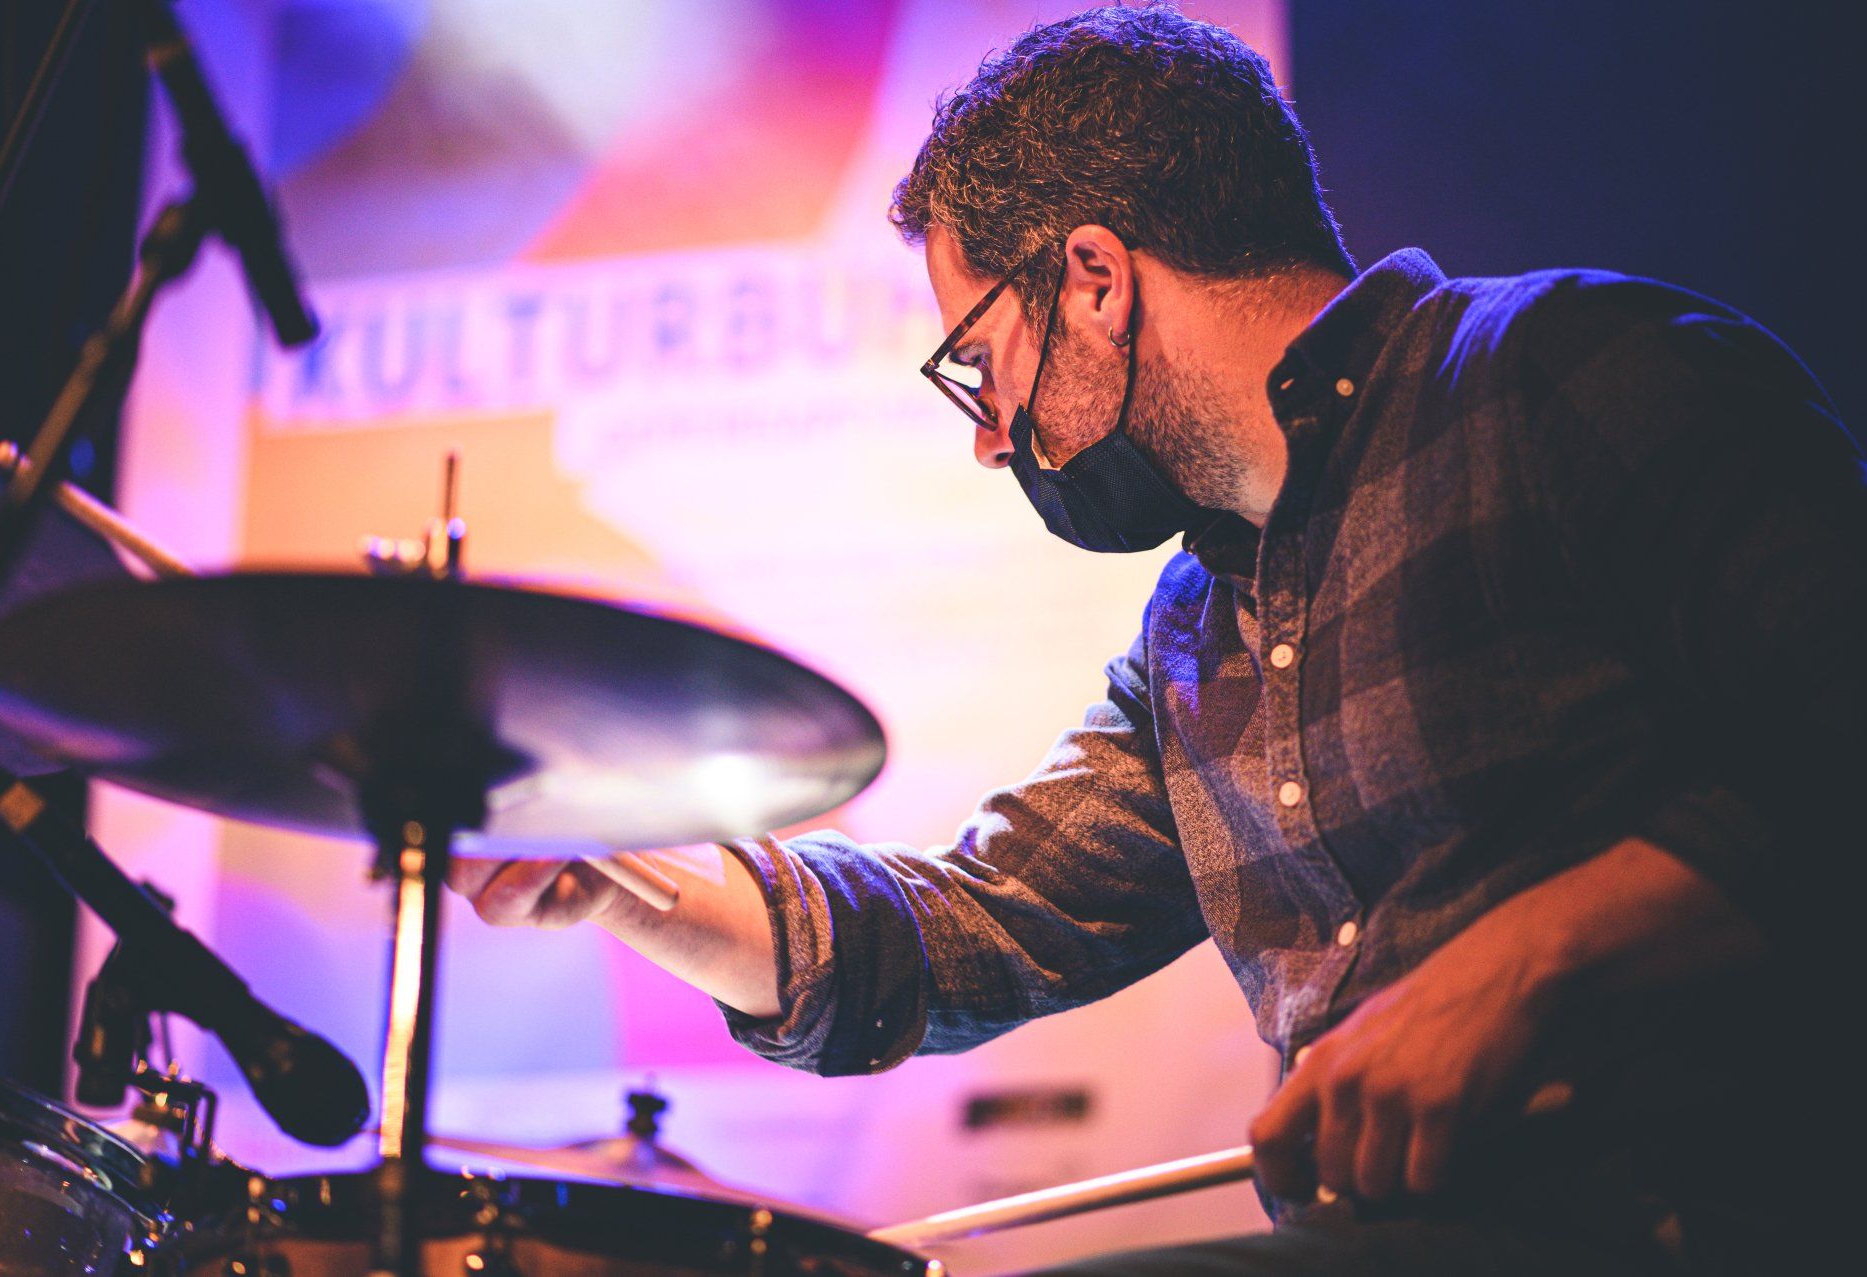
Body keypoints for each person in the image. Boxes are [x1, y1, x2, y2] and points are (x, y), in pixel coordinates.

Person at [451, 6, 1862, 1273]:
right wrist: (619, 876)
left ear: (1096, 279)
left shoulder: (1565, 372)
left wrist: (1524, 968)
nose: (992, 438)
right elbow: (971, 929)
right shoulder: (1195, 631)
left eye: (980, 364)